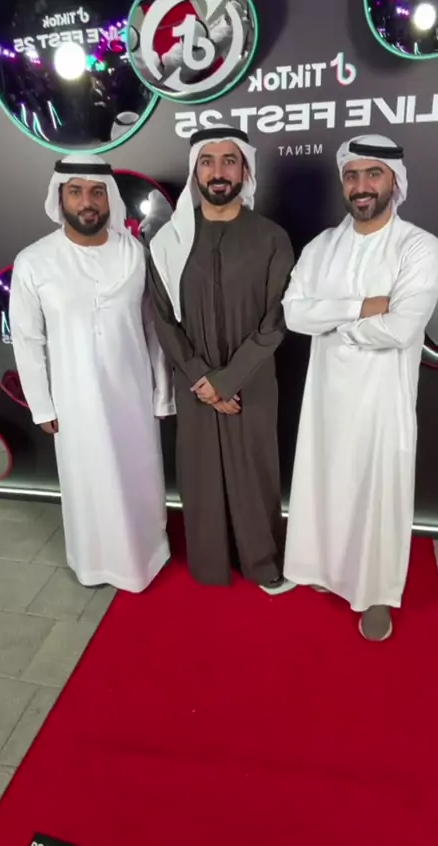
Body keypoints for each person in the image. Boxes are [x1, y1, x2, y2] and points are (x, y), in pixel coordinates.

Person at [283, 134, 438, 641]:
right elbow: (293, 314)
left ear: (395, 180)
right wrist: (362, 307)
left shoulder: (418, 246)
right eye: (352, 175)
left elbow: (401, 328)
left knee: (379, 494)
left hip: (382, 403)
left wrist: (334, 323)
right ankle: (323, 567)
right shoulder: (321, 246)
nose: (361, 185)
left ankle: (375, 595)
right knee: (324, 481)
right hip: (326, 398)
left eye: (373, 173)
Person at [9, 154, 175, 592]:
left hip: (132, 394)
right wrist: (41, 405)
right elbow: (26, 338)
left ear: (110, 198)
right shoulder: (34, 261)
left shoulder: (135, 253)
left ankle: (146, 556)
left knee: (139, 477)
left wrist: (162, 393)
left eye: (97, 192)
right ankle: (95, 563)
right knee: (87, 484)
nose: (87, 202)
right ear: (60, 197)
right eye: (76, 191)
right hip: (74, 400)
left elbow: (155, 328)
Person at [147, 125, 295, 592]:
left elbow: (277, 320)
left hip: (252, 381)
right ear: (196, 172)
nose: (218, 172)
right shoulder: (168, 242)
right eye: (207, 162)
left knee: (255, 472)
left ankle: (262, 562)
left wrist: (227, 380)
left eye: (229, 161)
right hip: (195, 384)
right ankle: (209, 564)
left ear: (244, 169)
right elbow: (163, 318)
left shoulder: (271, 238)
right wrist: (202, 379)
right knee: (201, 476)